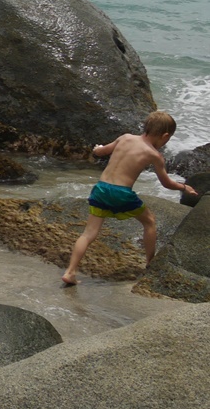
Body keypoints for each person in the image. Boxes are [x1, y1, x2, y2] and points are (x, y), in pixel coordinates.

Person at [62, 110, 199, 286]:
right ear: (165, 136)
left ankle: (70, 271)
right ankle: (150, 263)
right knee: (149, 221)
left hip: (101, 188)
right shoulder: (154, 155)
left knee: (88, 233)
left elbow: (102, 152)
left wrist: (96, 149)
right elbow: (166, 183)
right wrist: (183, 187)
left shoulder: (125, 138)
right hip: (121, 193)